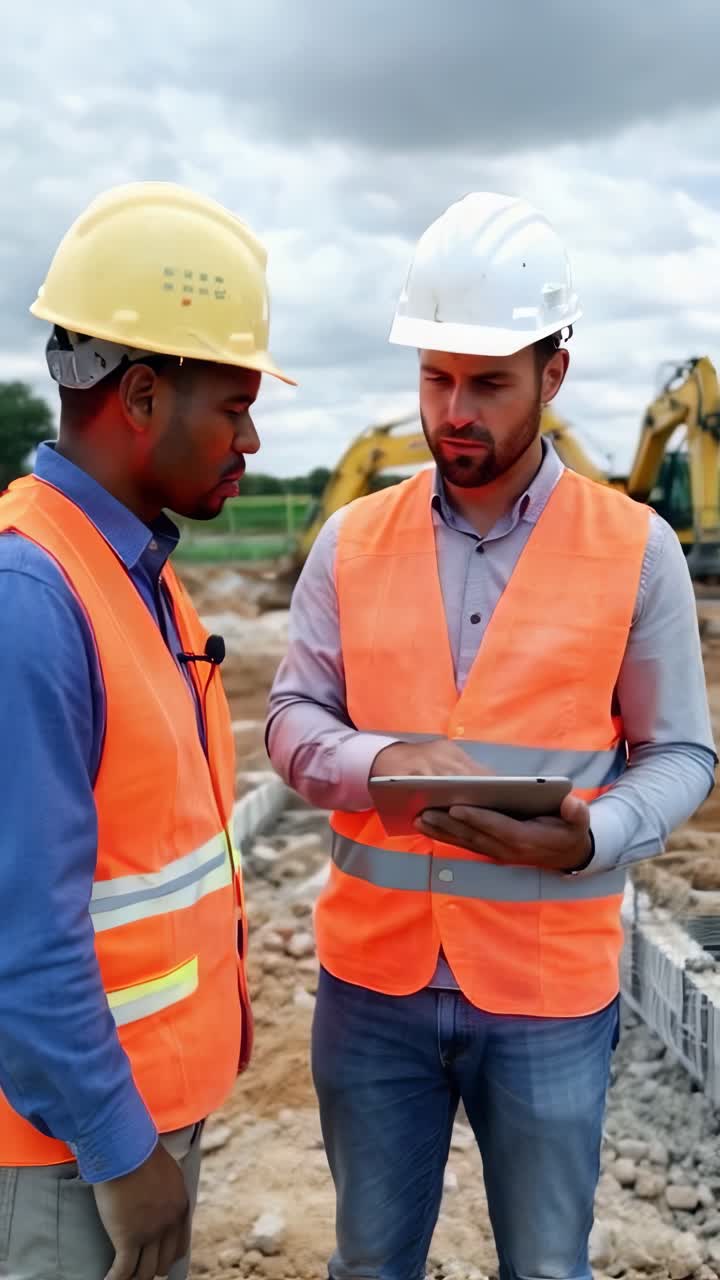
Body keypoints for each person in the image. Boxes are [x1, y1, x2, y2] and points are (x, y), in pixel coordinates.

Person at [266, 191, 717, 1280]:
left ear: (553, 374)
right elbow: (288, 721)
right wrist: (380, 762)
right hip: (371, 984)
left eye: (488, 383)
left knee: (546, 1266)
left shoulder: (637, 548)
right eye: (435, 378)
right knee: (370, 1260)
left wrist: (594, 835)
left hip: (550, 993)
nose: (454, 410)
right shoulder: (350, 539)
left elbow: (683, 756)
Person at [0, 181, 293, 1280]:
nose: (251, 436)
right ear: (137, 395)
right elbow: (20, 934)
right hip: (68, 1150)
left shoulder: (132, 570)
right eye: (234, 404)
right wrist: (125, 1155)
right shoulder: (32, 594)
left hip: (122, 1113)